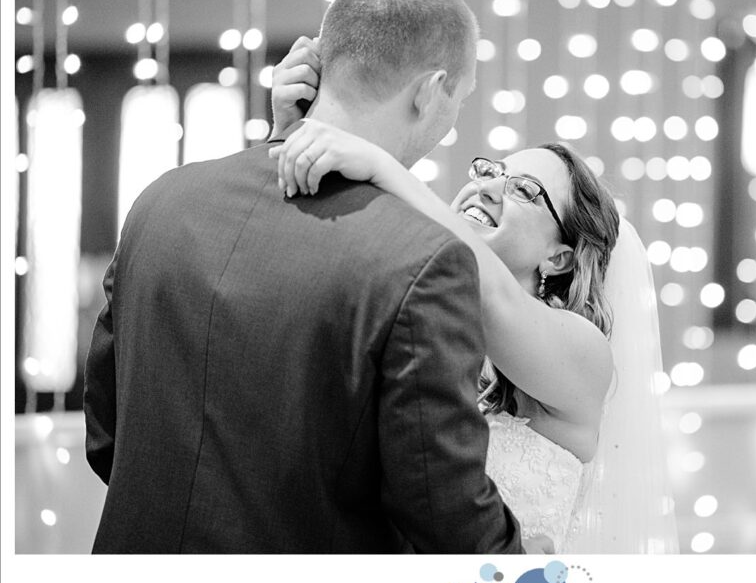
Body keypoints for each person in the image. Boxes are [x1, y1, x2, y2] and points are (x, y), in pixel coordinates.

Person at [83, 0, 525, 554]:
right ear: (428, 90)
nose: (451, 122)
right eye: (459, 100)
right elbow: (444, 516)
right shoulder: (423, 260)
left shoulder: (161, 201)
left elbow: (106, 436)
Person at [269, 40, 680, 554]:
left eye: (524, 191)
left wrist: (381, 165)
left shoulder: (585, 353)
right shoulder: (421, 317)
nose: (489, 188)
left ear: (559, 259)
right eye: (491, 172)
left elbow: (498, 299)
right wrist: (292, 138)